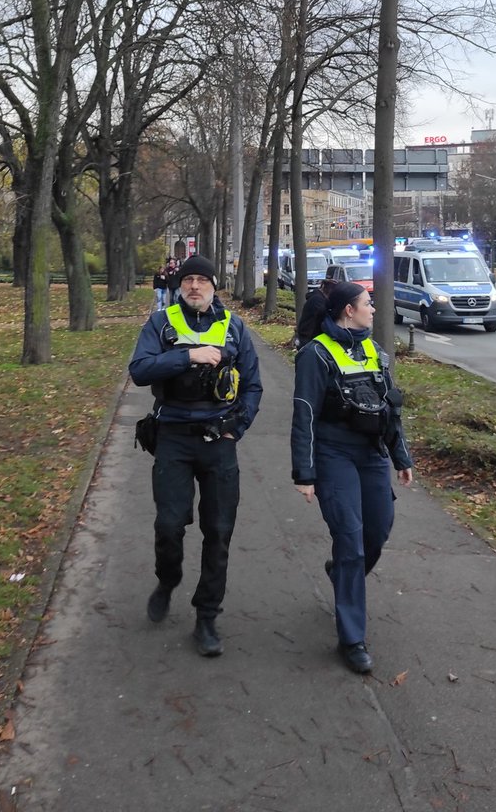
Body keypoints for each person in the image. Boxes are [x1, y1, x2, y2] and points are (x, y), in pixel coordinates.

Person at [129, 253, 262, 656]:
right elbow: (139, 370)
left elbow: (253, 385)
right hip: (173, 435)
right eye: (188, 280)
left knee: (219, 531)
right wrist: (188, 355)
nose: (194, 286)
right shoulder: (161, 323)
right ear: (179, 285)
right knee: (169, 524)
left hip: (219, 439)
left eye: (203, 280)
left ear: (213, 287)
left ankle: (206, 616)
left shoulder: (234, 327)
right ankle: (167, 579)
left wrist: (236, 428)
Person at [291, 281, 413, 675]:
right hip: (333, 455)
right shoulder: (315, 354)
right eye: (367, 303)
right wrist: (304, 472)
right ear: (348, 310)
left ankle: (341, 573)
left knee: (376, 532)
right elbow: (304, 414)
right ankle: (352, 637)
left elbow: (389, 408)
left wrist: (400, 456)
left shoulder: (374, 350)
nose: (373, 309)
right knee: (350, 540)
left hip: (372, 454)